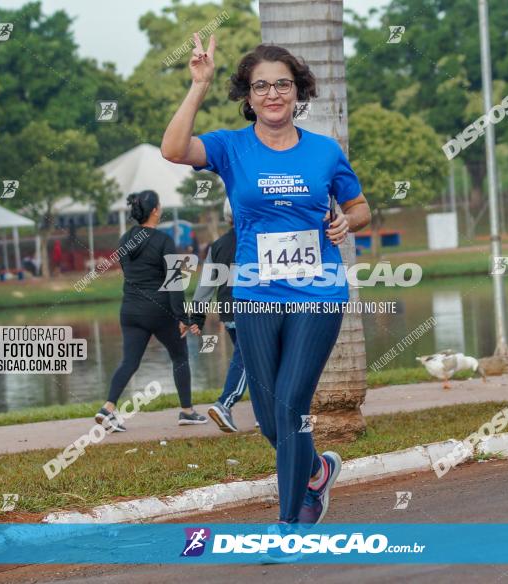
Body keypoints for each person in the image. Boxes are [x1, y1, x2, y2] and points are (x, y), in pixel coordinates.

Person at [161, 34, 372, 532]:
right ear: (248, 96)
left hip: (318, 293)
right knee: (271, 417)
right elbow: (173, 149)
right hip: (255, 294)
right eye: (262, 86)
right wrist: (198, 84)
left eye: (283, 84)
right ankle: (318, 470)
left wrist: (347, 224)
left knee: (292, 403)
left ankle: (289, 522)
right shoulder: (230, 147)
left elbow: (360, 207)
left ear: (299, 93)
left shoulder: (324, 152)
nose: (273, 94)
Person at [95, 190, 207, 431]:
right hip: (158, 311)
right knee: (180, 356)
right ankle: (187, 411)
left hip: (130, 311)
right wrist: (182, 317)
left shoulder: (124, 239)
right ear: (155, 210)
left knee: (130, 361)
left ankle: (107, 409)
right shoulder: (163, 241)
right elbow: (174, 282)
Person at [189, 198, 248, 432]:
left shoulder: (218, 245)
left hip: (228, 312)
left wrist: (197, 317)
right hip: (250, 309)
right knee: (246, 361)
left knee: (258, 360)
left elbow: (206, 284)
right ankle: (224, 404)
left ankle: (267, 413)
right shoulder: (255, 240)